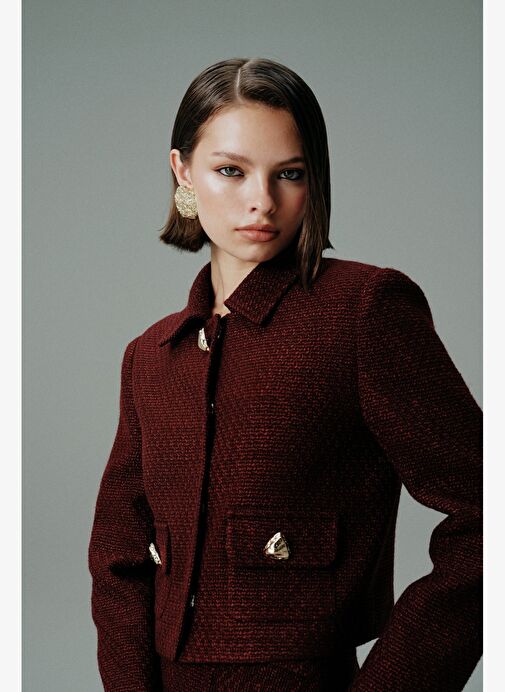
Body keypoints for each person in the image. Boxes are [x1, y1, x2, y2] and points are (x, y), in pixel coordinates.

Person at [88, 57, 482, 691]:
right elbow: (118, 556)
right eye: (231, 171)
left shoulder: (362, 311)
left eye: (289, 174)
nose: (262, 201)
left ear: (313, 179)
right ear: (182, 172)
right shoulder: (152, 355)